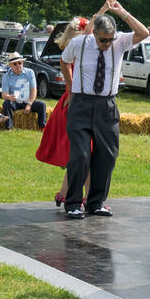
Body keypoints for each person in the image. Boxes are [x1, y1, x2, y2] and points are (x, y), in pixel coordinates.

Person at [60, 0, 150, 219]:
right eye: (103, 40)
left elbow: (143, 33)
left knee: (107, 156)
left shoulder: (119, 42)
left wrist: (122, 12)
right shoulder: (80, 43)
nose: (107, 45)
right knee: (80, 155)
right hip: (81, 103)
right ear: (94, 35)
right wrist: (71, 89)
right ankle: (72, 203)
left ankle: (96, 202)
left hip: (106, 105)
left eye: (110, 40)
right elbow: (64, 61)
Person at [36, 17, 92, 207]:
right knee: (85, 154)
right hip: (75, 103)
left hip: (73, 102)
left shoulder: (79, 50)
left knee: (78, 155)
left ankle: (63, 192)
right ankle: (89, 197)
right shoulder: (78, 52)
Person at [0, 53, 47, 129]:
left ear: (23, 63)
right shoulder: (6, 76)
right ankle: (8, 127)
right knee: (6, 103)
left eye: (20, 63)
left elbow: (33, 90)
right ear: (10, 65)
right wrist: (9, 97)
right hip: (15, 101)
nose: (18, 65)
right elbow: (4, 94)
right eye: (15, 64)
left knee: (42, 105)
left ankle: (43, 127)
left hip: (28, 100)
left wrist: (29, 104)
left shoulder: (30, 72)